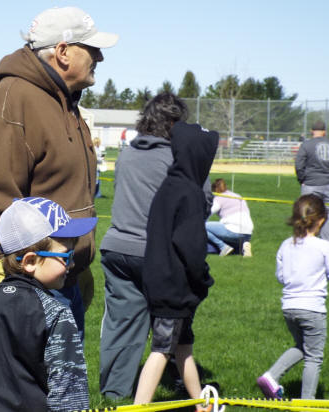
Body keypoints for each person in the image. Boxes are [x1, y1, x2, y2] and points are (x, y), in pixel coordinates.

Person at [0, 6, 118, 338]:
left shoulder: (65, 102)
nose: (100, 57)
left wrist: (76, 260)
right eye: (91, 48)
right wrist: (8, 275)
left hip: (59, 274)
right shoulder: (11, 102)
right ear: (62, 52)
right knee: (18, 374)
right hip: (24, 280)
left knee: (62, 373)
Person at [0, 197, 97, 412]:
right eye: (66, 256)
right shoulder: (56, 314)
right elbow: (70, 398)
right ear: (30, 261)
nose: (73, 263)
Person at [99, 92, 193, 399]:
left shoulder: (127, 153)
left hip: (117, 247)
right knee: (173, 325)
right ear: (175, 123)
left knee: (121, 323)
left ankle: (113, 394)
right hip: (157, 253)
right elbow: (198, 202)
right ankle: (181, 382)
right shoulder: (178, 158)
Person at [134, 122, 218, 409]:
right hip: (174, 288)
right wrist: (203, 278)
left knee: (183, 348)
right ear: (199, 157)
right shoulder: (190, 193)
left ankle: (200, 404)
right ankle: (138, 407)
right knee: (161, 350)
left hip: (159, 281)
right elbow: (191, 247)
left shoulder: (169, 187)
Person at [257, 194, 329, 400]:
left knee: (302, 347)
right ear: (321, 220)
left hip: (289, 307)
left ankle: (271, 376)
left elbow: (281, 277)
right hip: (313, 309)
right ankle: (307, 402)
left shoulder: (286, 245)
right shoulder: (324, 247)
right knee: (314, 357)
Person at [295, 120, 329, 240]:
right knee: (327, 214)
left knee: (307, 213)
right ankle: (326, 242)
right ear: (324, 132)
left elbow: (299, 165)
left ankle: (306, 239)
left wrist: (302, 179)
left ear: (311, 131)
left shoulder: (306, 145)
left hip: (311, 184)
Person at [206, 178, 254, 257]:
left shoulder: (219, 198)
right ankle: (244, 245)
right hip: (248, 232)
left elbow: (209, 212)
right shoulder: (237, 196)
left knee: (201, 226)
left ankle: (223, 247)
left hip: (233, 229)